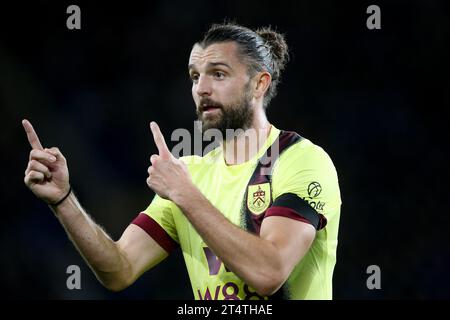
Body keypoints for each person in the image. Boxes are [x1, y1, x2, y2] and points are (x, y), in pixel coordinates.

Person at [23, 23, 341, 300]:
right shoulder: (190, 175)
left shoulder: (301, 160)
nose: (201, 88)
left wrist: (185, 194)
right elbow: (120, 269)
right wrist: (64, 200)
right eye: (194, 76)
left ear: (259, 84)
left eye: (218, 74)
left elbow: (269, 272)